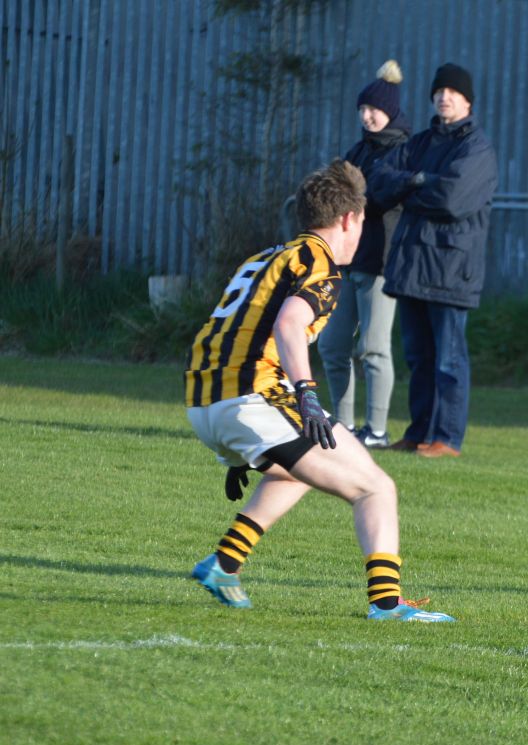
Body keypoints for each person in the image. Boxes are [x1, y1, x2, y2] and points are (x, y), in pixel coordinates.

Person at [184, 159, 453, 623]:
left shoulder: (265, 257)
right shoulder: (321, 266)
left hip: (205, 402)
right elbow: (290, 323)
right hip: (255, 402)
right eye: (363, 222)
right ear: (349, 218)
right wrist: (306, 394)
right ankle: (387, 604)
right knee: (376, 489)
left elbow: (229, 329)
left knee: (300, 472)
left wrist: (237, 437)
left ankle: (223, 564)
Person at [367, 61, 498, 458]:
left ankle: (447, 438)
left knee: (449, 360)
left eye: (454, 93)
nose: (445, 97)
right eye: (440, 92)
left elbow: (453, 200)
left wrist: (409, 188)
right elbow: (377, 182)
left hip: (450, 270)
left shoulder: (477, 148)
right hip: (411, 267)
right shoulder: (419, 144)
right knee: (419, 359)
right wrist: (417, 180)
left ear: (468, 102)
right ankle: (418, 431)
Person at [316, 60, 411, 449]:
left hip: (381, 262)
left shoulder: (405, 150)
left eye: (374, 109)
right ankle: (342, 426)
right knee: (332, 346)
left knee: (373, 348)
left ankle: (376, 430)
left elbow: (385, 194)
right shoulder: (357, 150)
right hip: (347, 260)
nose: (368, 116)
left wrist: (358, 194)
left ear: (391, 110)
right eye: (362, 110)